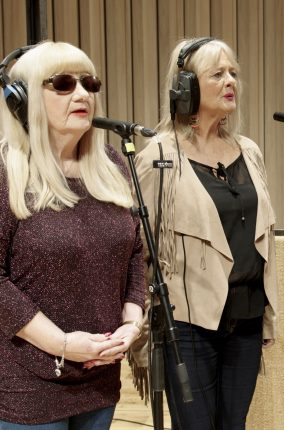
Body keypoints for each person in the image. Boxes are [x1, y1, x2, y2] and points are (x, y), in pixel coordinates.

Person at [133, 37, 278, 429]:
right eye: (217, 74)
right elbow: (139, 247)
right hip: (188, 325)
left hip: (245, 319)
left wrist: (266, 317)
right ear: (186, 87)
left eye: (233, 73)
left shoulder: (249, 151)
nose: (230, 80)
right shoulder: (159, 157)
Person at [0, 41, 146, 429]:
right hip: (27, 384)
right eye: (63, 84)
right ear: (22, 99)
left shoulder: (112, 164)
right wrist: (63, 346)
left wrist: (131, 326)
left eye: (89, 83)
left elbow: (134, 254)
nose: (82, 94)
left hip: (100, 374)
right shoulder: (6, 171)